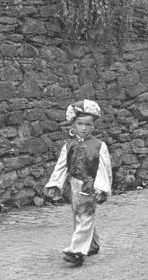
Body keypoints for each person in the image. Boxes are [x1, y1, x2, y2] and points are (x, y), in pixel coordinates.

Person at [45, 100, 112, 266]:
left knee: (84, 215)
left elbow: (104, 168)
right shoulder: (69, 146)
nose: (83, 128)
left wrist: (102, 188)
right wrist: (55, 184)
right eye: (80, 124)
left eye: (88, 125)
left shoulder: (99, 146)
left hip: (91, 184)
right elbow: (61, 166)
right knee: (79, 215)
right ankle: (93, 244)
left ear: (93, 125)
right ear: (73, 125)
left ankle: (77, 252)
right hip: (75, 183)